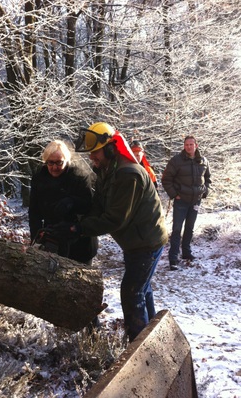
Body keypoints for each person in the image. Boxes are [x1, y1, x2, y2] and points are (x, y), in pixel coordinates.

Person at [47, 122, 168, 343]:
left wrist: (79, 229)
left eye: (96, 153)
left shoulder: (127, 175)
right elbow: (99, 206)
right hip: (135, 241)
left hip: (145, 242)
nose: (93, 158)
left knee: (132, 293)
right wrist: (76, 215)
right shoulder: (108, 171)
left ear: (111, 148)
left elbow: (115, 219)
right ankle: (152, 337)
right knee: (142, 289)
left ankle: (139, 347)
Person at [28, 140, 98, 265]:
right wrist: (36, 238)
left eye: (59, 163)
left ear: (67, 160)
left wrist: (72, 202)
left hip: (79, 239)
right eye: (50, 163)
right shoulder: (39, 178)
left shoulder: (79, 176)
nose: (54, 167)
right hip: (53, 238)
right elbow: (34, 212)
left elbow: (89, 206)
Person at [162, 135, 211, 271]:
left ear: (196, 145)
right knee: (177, 229)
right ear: (184, 146)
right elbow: (166, 179)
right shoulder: (176, 161)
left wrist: (205, 192)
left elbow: (208, 178)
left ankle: (186, 253)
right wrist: (174, 194)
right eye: (186, 144)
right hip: (181, 201)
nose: (188, 147)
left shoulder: (203, 161)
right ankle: (173, 259)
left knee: (190, 228)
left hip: (196, 200)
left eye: (191, 144)